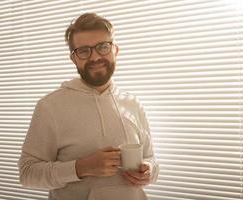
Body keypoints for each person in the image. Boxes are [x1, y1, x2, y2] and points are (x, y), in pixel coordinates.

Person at [18, 12, 159, 200]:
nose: (95, 57)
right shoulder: (50, 107)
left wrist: (149, 171)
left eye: (103, 47)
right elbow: (27, 174)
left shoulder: (133, 104)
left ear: (115, 50)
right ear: (74, 59)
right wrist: (81, 167)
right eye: (84, 50)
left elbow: (151, 160)